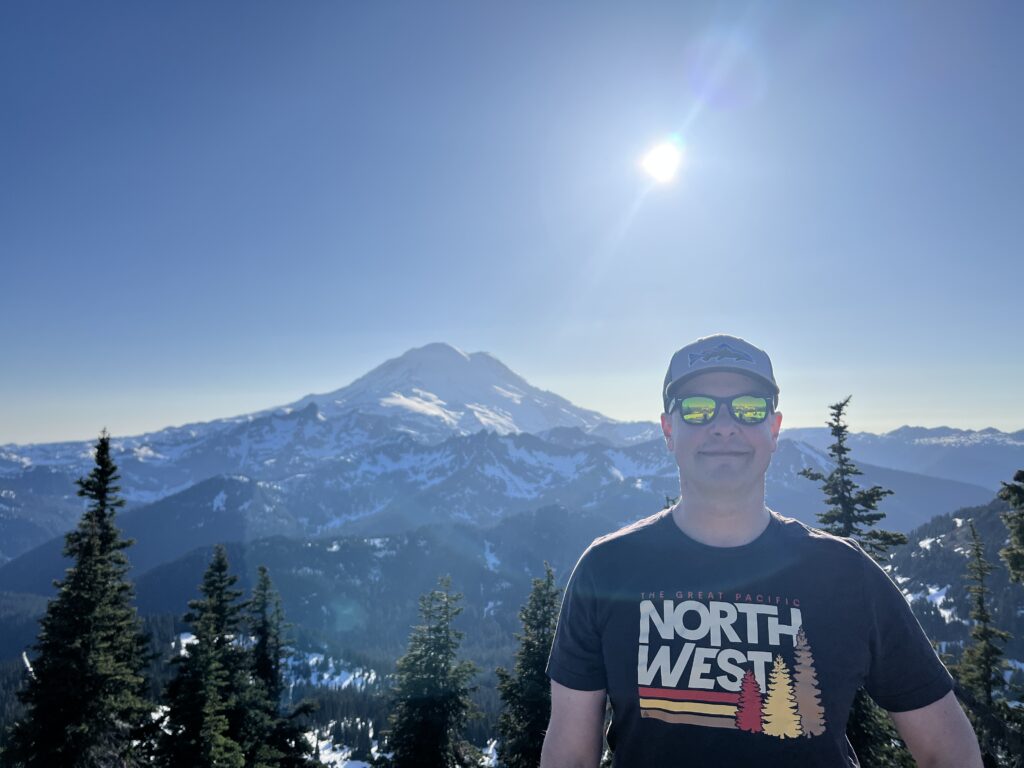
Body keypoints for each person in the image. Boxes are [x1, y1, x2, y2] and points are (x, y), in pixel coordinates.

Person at [542, 334, 981, 767]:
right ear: (668, 430)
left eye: (748, 408)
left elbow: (949, 751)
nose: (724, 425)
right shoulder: (606, 569)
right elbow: (570, 755)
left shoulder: (845, 573)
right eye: (698, 409)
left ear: (773, 429)